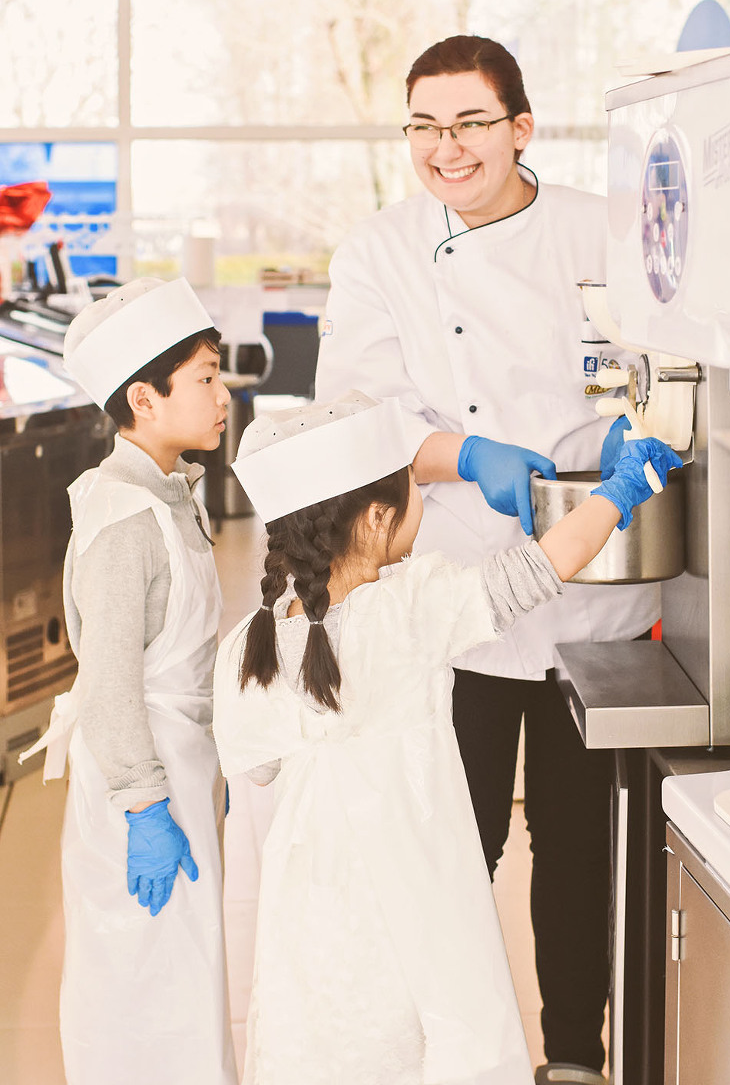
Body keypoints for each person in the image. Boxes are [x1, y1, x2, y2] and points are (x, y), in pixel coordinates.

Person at [314, 34, 660, 1085]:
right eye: (424, 126)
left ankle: (575, 1059)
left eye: (470, 122)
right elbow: (357, 418)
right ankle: (441, 1052)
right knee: (454, 846)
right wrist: (464, 455)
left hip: (594, 590)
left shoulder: (605, 232)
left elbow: (667, 361)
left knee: (577, 847)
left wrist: (637, 430)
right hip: (452, 587)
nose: (446, 148)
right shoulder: (379, 249)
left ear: (521, 128)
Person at [212, 390, 681, 1085]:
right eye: (415, 484)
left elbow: (256, 770)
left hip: (312, 899)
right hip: (417, 879)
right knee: (434, 1035)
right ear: (378, 519)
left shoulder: (250, 644)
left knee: (326, 1036)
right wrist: (619, 491)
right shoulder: (409, 608)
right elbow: (545, 565)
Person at [20, 277, 237, 1085]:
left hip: (179, 770)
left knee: (184, 981)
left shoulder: (167, 493)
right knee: (139, 984)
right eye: (206, 378)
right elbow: (109, 683)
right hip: (138, 787)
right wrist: (145, 806)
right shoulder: (125, 521)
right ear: (144, 399)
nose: (224, 395)